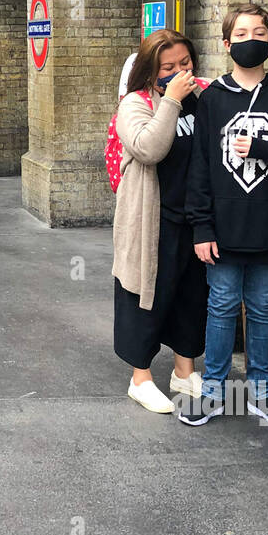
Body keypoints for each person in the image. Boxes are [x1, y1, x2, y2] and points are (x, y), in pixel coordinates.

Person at [181, 5, 268, 430]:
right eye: (240, 33)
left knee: (262, 310)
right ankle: (214, 393)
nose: (249, 39)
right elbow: (200, 168)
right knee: (221, 308)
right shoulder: (212, 99)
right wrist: (201, 226)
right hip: (222, 230)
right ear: (226, 44)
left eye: (259, 32)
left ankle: (261, 394)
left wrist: (264, 149)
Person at [112, 31, 210, 412]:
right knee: (145, 298)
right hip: (151, 220)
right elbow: (149, 149)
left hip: (193, 219)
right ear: (150, 71)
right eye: (168, 67)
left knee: (191, 296)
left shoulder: (201, 99)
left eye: (185, 64)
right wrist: (170, 101)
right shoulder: (135, 104)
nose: (179, 72)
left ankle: (184, 372)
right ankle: (141, 377)